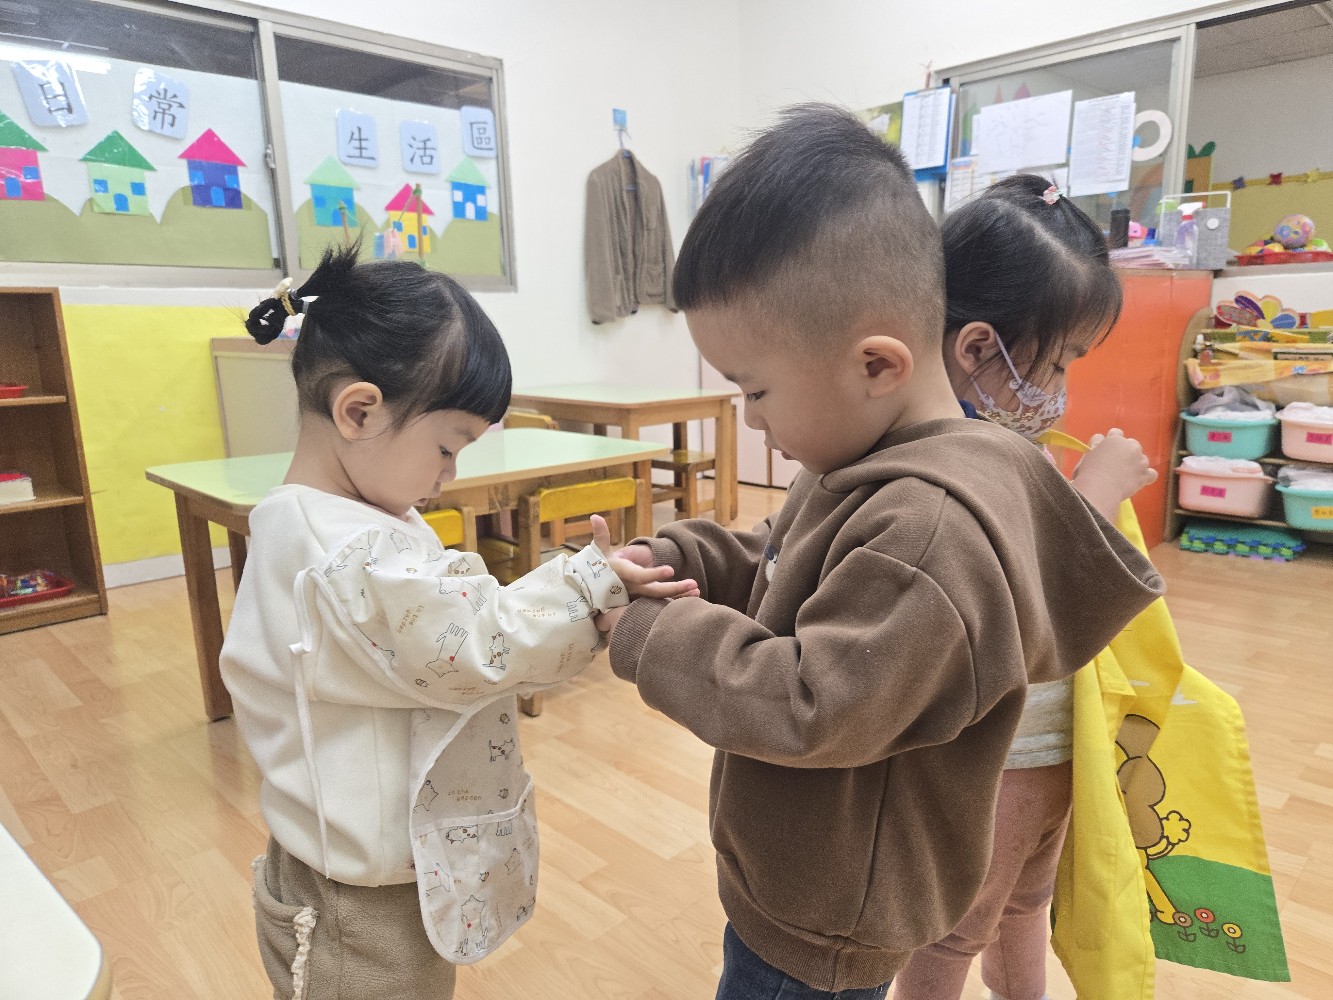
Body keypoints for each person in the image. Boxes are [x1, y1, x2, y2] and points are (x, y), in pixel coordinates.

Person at [598, 104, 1166, 999]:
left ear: (875, 366)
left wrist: (646, 631)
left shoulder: (929, 530)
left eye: (756, 391)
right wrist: (679, 559)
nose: (749, 419)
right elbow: (782, 562)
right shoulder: (860, 460)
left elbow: (811, 701)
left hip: (827, 918)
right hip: (796, 873)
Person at [221, 245, 696, 1000]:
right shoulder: (341, 552)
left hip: (369, 871)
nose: (450, 474)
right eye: (447, 447)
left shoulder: (347, 520)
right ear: (358, 411)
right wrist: (586, 587)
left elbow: (445, 616)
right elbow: (470, 644)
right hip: (354, 905)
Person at [893, 176, 1158, 1000]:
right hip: (993, 756)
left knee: (1026, 904)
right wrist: (1096, 497)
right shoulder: (943, 460)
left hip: (1049, 743)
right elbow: (1020, 589)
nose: (1063, 385)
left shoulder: (1004, 434)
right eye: (1060, 359)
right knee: (956, 927)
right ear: (977, 349)